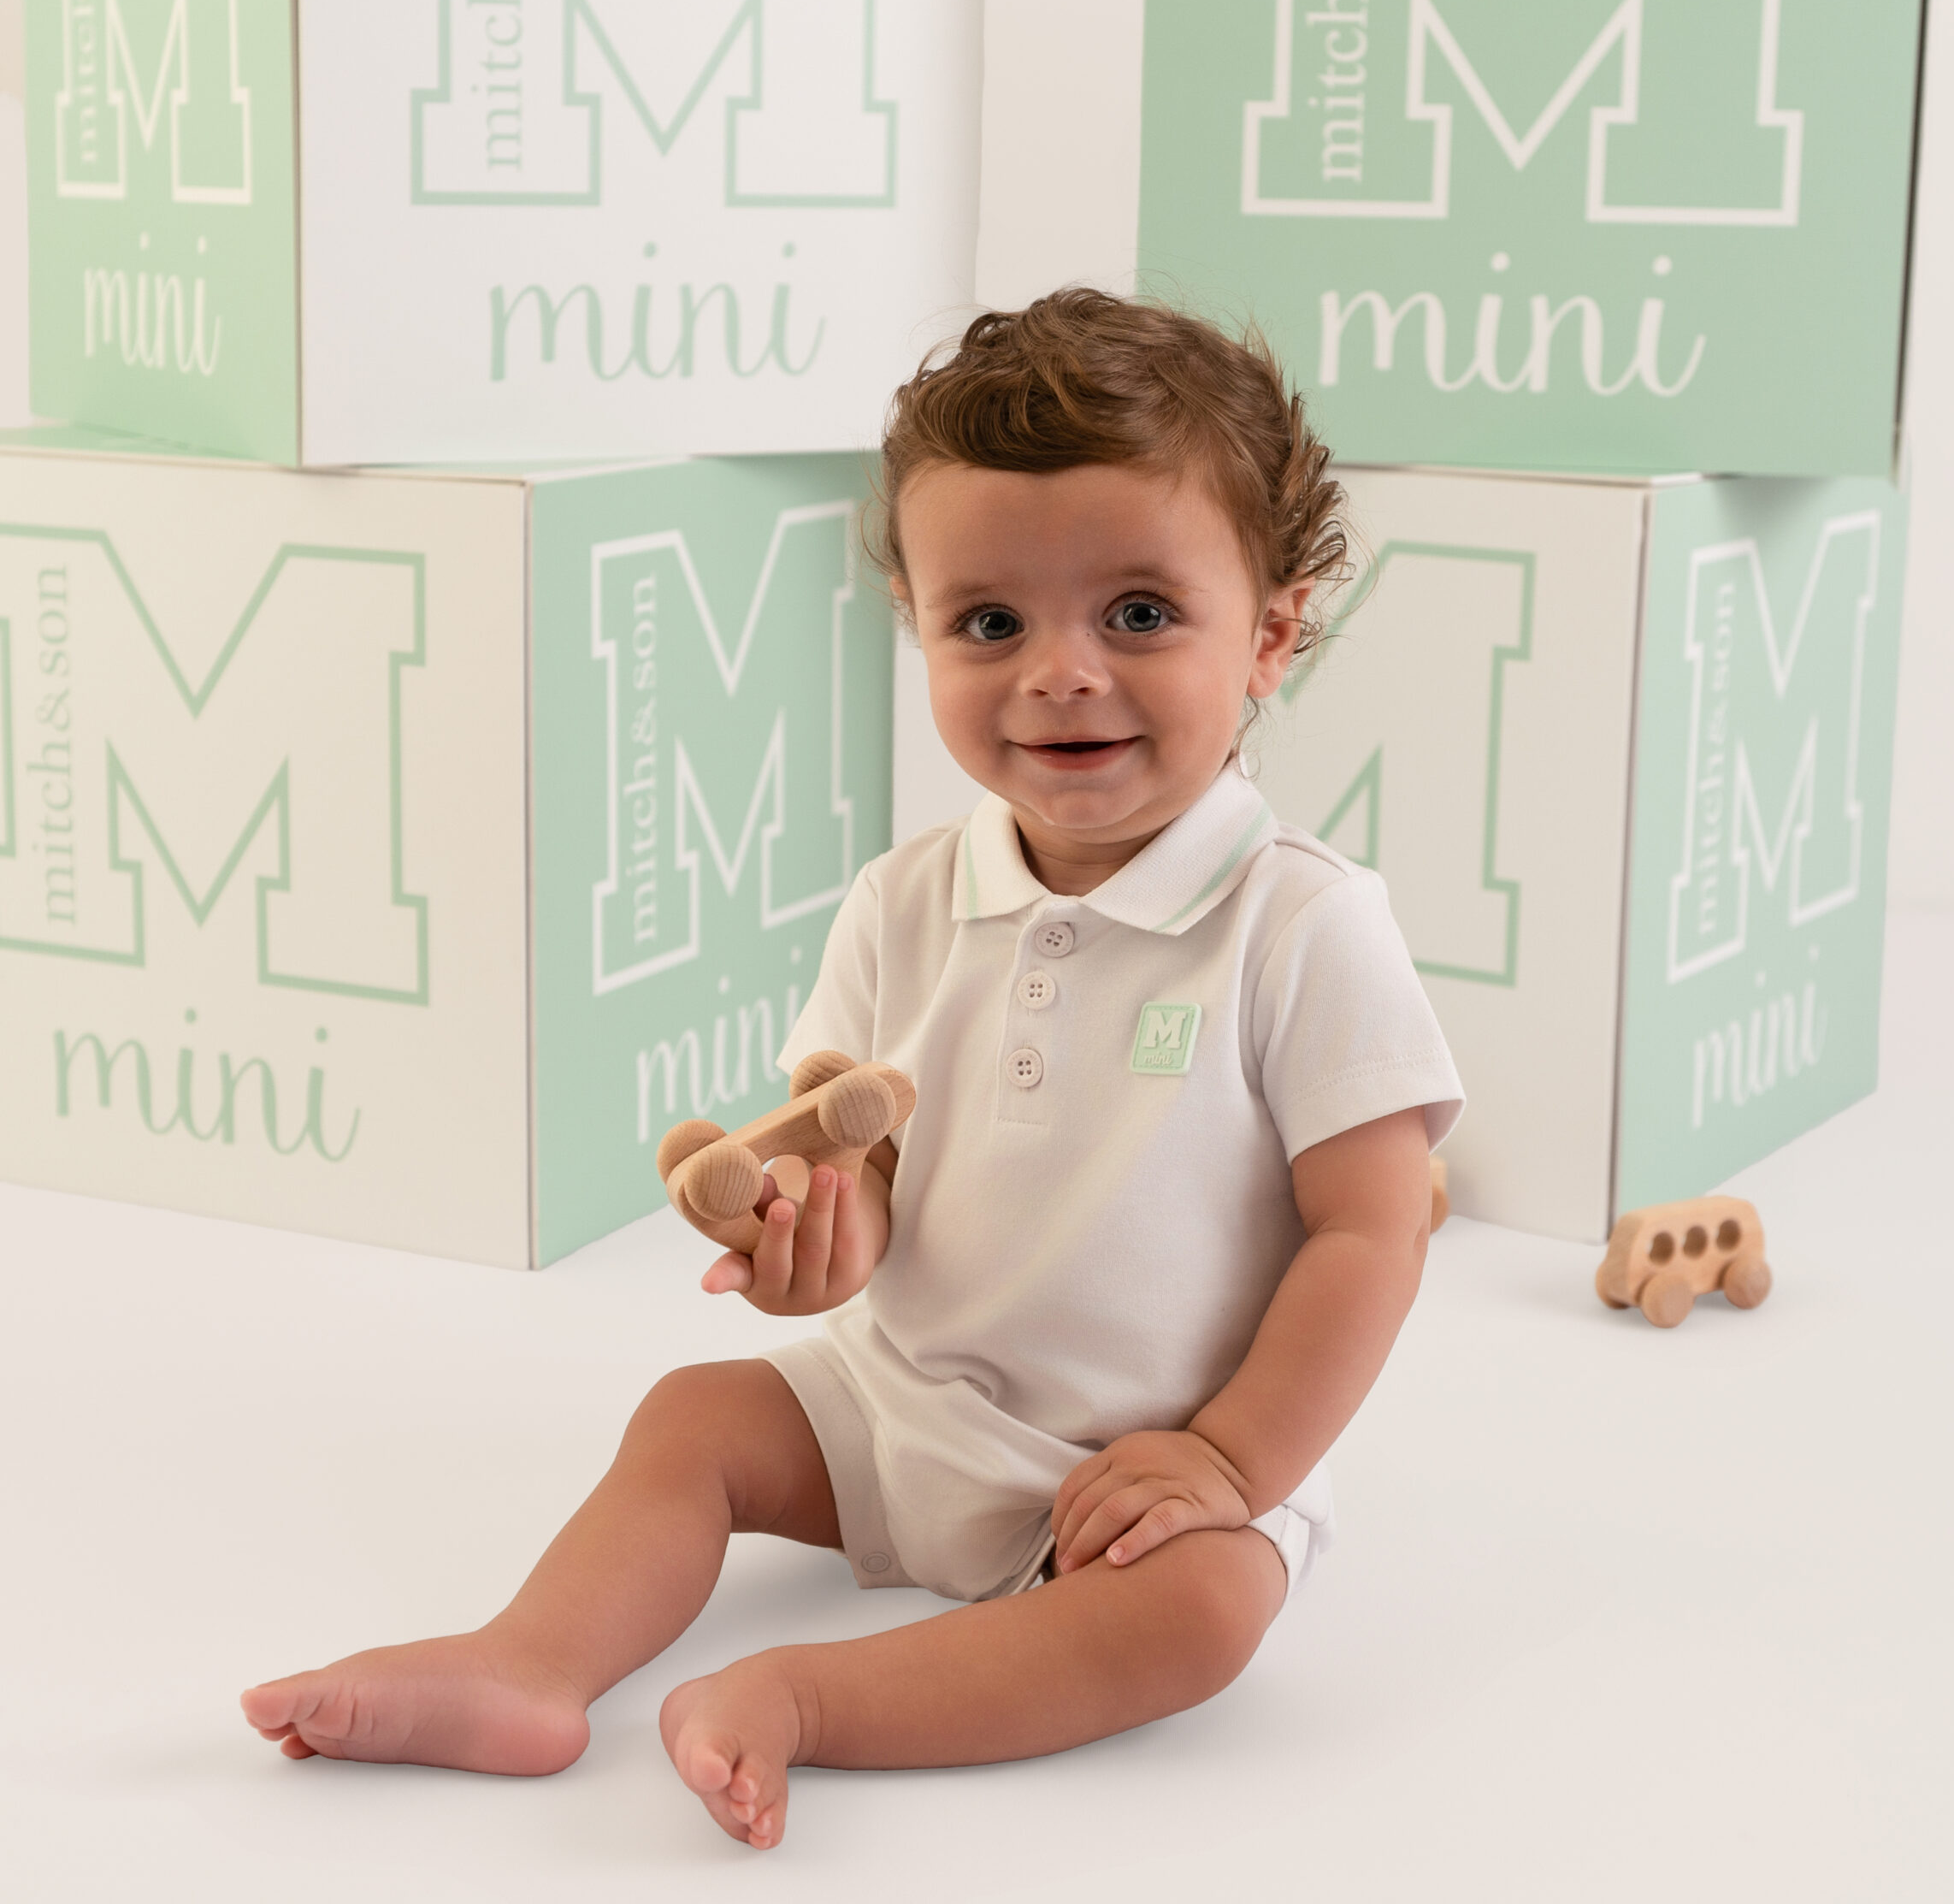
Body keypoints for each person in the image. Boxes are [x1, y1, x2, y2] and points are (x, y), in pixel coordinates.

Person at [240, 290, 1463, 1848]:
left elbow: (1375, 1227)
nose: (1061, 672)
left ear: (1272, 635)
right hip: (906, 1404)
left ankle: (807, 1699)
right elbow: (872, 1161)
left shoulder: (1301, 924)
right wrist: (823, 1243)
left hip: (1138, 1468)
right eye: (991, 623)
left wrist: (1231, 1461)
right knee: (695, 1418)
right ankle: (529, 1664)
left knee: (1206, 1615)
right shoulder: (906, 900)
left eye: (1141, 615)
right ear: (919, 622)